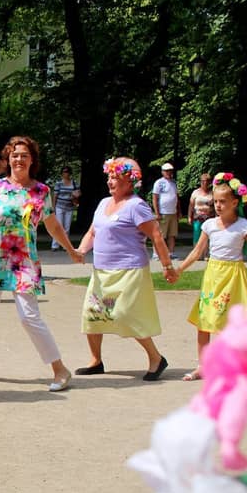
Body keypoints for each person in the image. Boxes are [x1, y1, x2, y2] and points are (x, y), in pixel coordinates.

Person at [0, 136, 83, 391]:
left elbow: (53, 225)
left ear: (32, 160)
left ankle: (60, 370)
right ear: (8, 160)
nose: (19, 159)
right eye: (15, 155)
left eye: (24, 155)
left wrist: (71, 250)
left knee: (29, 317)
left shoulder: (41, 191)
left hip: (23, 262)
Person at [173, 173, 247, 381]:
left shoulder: (244, 226)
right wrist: (179, 269)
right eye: (215, 202)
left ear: (235, 203)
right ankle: (203, 366)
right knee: (204, 322)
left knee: (230, 324)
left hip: (233, 278)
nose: (218, 206)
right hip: (213, 276)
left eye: (223, 202)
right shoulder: (209, 225)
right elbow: (196, 252)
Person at [75, 158, 175, 381]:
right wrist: (81, 250)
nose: (110, 182)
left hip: (129, 271)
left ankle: (156, 358)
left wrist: (167, 266)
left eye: (115, 178)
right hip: (102, 272)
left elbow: (156, 236)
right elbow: (93, 232)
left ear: (130, 182)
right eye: (109, 177)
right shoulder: (103, 203)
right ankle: (96, 361)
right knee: (92, 315)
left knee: (125, 316)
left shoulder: (136, 206)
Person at [151, 162, 180, 259]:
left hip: (173, 212)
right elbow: (155, 198)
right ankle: (156, 254)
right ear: (162, 172)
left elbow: (176, 197)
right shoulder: (159, 183)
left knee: (172, 234)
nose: (168, 172)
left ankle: (170, 253)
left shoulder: (174, 183)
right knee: (160, 234)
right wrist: (157, 213)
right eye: (166, 171)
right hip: (163, 212)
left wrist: (179, 211)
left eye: (170, 171)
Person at [51, 166, 80, 251]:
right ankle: (55, 245)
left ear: (70, 173)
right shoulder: (59, 183)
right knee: (59, 226)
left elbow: (78, 194)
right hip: (59, 207)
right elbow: (55, 196)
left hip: (69, 207)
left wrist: (76, 196)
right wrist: (53, 208)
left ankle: (65, 246)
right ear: (62, 173)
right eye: (64, 172)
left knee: (67, 227)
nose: (65, 173)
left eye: (67, 171)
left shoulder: (74, 183)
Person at [186, 172, 214, 248]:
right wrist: (189, 217)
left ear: (210, 182)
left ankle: (206, 253)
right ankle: (196, 252)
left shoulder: (212, 192)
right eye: (203, 181)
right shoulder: (195, 192)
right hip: (198, 217)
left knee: (208, 236)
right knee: (197, 236)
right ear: (200, 181)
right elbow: (191, 205)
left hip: (209, 218)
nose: (205, 183)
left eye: (207, 181)